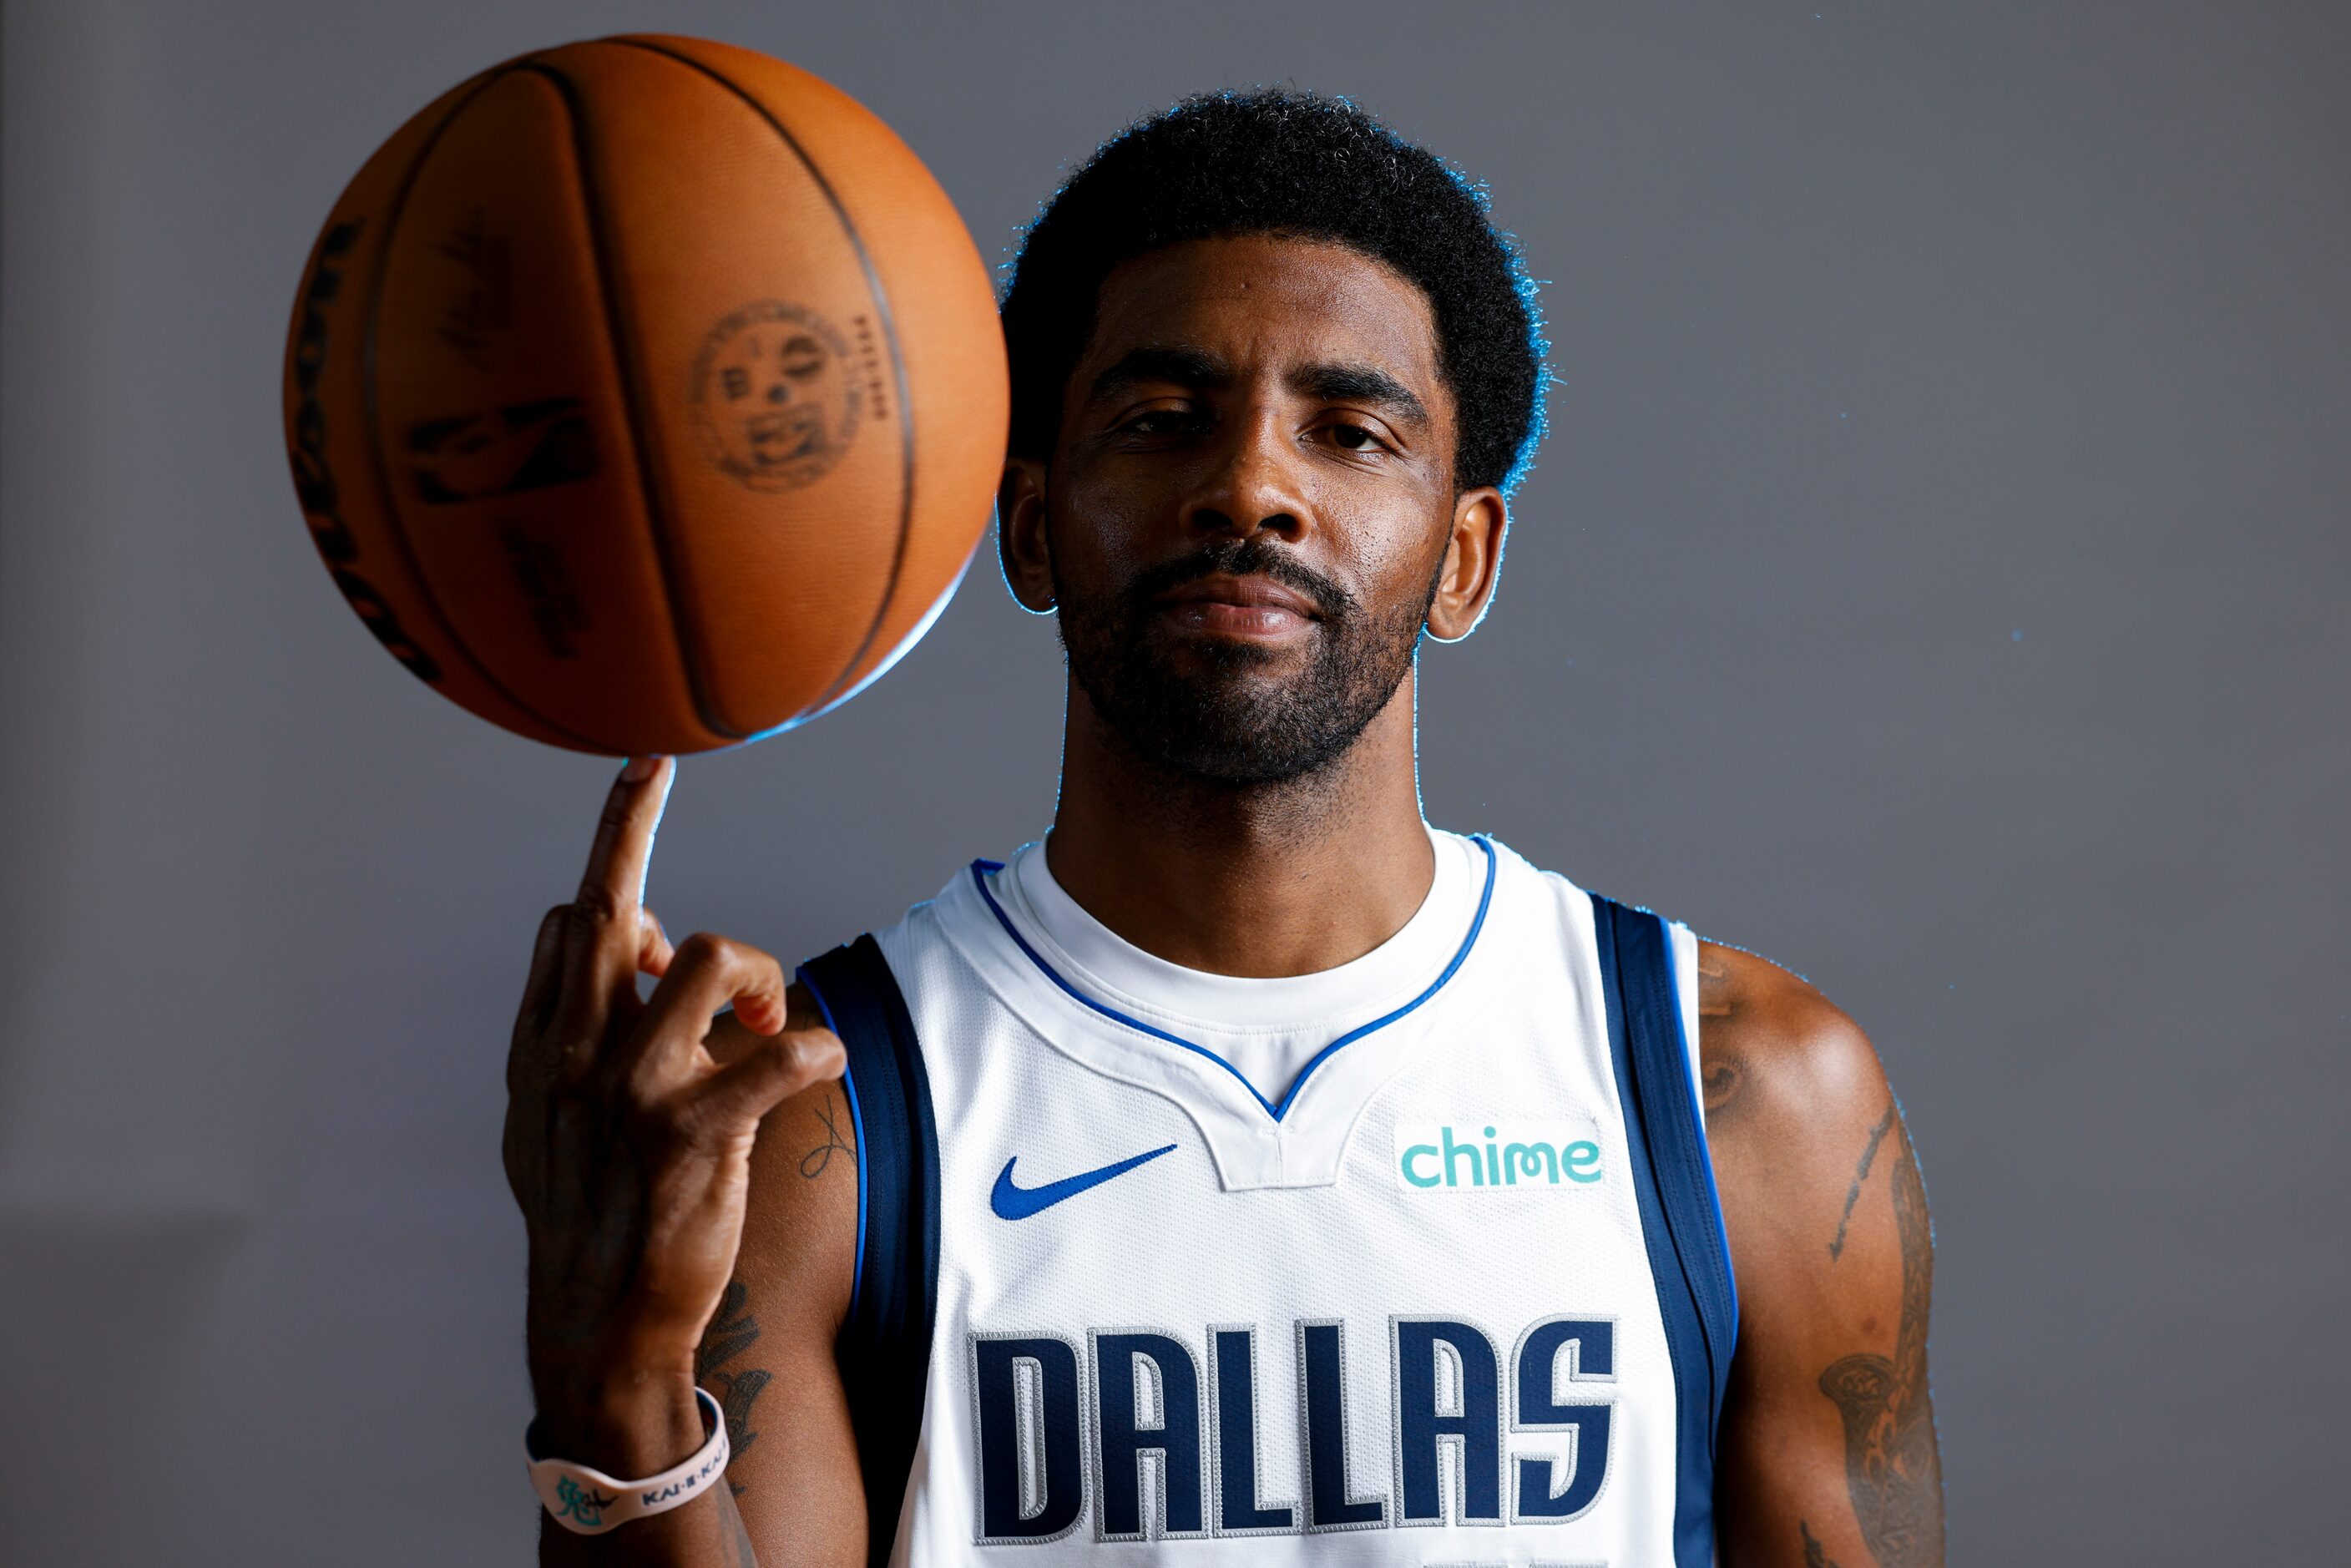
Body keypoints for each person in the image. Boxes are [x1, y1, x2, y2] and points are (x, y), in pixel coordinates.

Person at [502, 89, 1944, 1568]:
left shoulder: (1742, 1096)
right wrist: (613, 1383)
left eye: (1352, 433)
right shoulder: (823, 1116)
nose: (1251, 486)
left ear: (1464, 558)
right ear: (1033, 525)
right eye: (1161, 419)